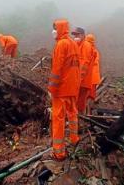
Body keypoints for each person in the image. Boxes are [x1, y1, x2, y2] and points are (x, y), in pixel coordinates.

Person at [48, 19, 81, 161]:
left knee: (58, 118)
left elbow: (57, 69)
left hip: (62, 89)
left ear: (60, 29)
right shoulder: (73, 43)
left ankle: (59, 152)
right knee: (72, 114)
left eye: (55, 28)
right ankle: (74, 139)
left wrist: (51, 89)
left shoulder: (61, 44)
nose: (53, 31)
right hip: (73, 88)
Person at [72, 27, 96, 114]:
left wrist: (79, 78)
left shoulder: (86, 46)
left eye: (77, 34)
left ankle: (77, 121)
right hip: (81, 80)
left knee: (79, 103)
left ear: (82, 35)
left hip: (83, 81)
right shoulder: (80, 45)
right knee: (77, 102)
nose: (75, 36)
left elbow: (84, 64)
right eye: (74, 35)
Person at [85, 34, 102, 113]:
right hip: (94, 78)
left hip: (90, 78)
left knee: (86, 96)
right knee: (90, 96)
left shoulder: (89, 50)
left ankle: (86, 112)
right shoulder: (96, 51)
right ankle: (88, 112)